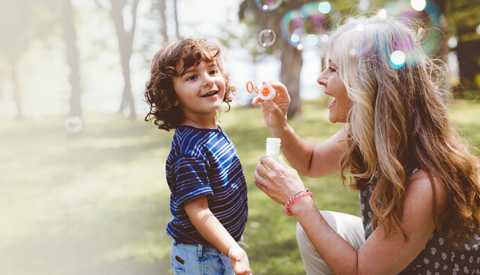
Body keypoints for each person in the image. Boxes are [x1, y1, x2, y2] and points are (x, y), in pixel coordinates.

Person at [253, 17, 480, 274]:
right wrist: (280, 125)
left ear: (367, 85)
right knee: (320, 227)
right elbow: (312, 162)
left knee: (314, 223)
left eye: (333, 69)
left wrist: (300, 202)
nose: (320, 78)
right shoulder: (365, 133)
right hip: (395, 262)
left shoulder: (427, 185)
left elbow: (363, 272)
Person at [145, 39, 252, 275]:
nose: (208, 80)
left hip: (221, 245)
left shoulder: (211, 131)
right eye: (192, 77)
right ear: (171, 94)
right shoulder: (189, 151)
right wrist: (233, 249)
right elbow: (200, 213)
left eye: (213, 71)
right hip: (201, 255)